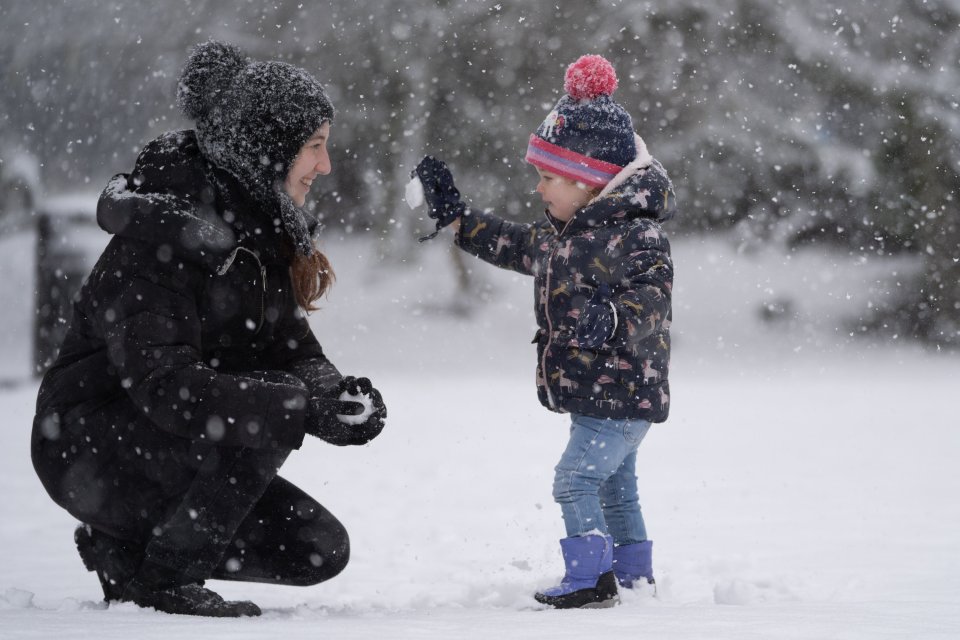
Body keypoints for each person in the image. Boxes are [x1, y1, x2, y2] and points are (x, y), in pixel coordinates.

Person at [30, 40, 387, 618]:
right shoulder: (160, 243)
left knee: (317, 550)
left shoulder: (254, 225)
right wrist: (297, 407)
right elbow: (170, 388)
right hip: (86, 446)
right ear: (269, 152)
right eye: (315, 148)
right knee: (267, 408)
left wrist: (335, 398)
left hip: (164, 443)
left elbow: (289, 347)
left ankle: (124, 554)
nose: (325, 166)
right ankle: (165, 580)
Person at [414, 55, 675, 609]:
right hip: (596, 392)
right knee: (615, 489)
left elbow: (654, 298)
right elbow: (510, 243)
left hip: (625, 391)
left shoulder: (638, 237)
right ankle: (632, 577)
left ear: (592, 180)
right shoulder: (562, 234)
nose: (538, 190)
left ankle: (589, 580)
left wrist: (616, 318)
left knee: (573, 481)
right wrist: (458, 218)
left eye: (549, 177)